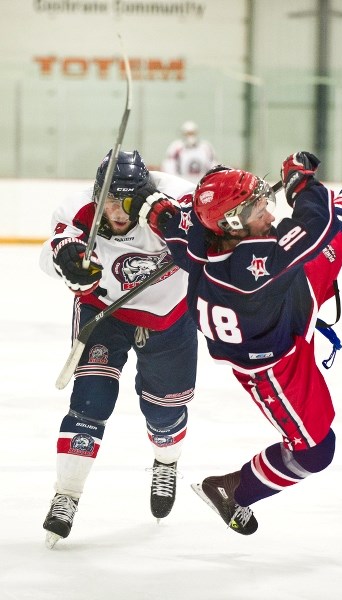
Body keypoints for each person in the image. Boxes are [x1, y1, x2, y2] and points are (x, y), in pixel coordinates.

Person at [127, 140, 342, 534]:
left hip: (282, 305)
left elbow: (164, 215)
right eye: (258, 209)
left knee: (341, 236)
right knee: (316, 451)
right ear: (231, 225)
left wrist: (141, 196)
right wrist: (300, 183)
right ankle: (232, 491)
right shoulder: (249, 267)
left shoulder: (194, 236)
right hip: (275, 365)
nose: (268, 211)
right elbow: (313, 223)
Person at [39, 150, 199, 549]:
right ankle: (67, 495)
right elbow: (50, 253)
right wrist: (67, 264)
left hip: (169, 315)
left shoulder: (176, 198)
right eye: (109, 199)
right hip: (105, 314)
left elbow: (209, 241)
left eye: (126, 200)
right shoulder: (78, 210)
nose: (117, 210)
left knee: (163, 413)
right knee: (89, 403)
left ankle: (166, 461)